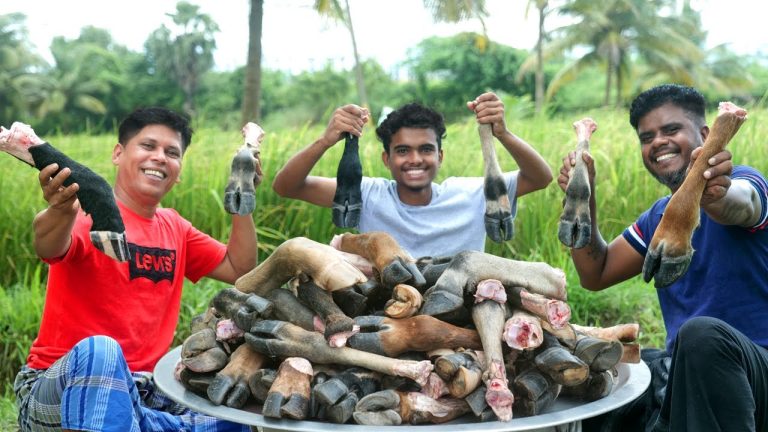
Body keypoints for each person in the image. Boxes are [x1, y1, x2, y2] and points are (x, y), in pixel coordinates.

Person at [11, 107, 258, 431]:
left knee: (233, 416)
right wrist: (61, 209)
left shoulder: (176, 227)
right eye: (148, 146)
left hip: (145, 390)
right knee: (101, 351)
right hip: (62, 386)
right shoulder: (86, 215)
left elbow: (240, 269)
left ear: (179, 170)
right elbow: (48, 243)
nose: (159, 157)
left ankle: (138, 423)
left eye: (172, 152)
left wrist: (243, 196)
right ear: (118, 153)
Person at [557, 84, 768, 431]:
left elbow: (740, 205)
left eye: (671, 130)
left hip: (754, 369)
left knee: (700, 336)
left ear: (705, 134)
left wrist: (713, 192)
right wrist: (584, 196)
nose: (658, 142)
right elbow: (597, 272)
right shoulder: (658, 218)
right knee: (611, 369)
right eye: (647, 136)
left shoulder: (744, 182)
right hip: (690, 371)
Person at [272, 92, 553, 258]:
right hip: (389, 315)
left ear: (440, 157)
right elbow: (287, 186)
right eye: (403, 150)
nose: (415, 160)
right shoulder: (367, 194)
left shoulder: (471, 194)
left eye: (426, 150)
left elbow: (540, 178)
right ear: (387, 159)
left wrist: (502, 133)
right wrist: (326, 140)